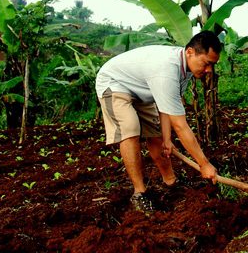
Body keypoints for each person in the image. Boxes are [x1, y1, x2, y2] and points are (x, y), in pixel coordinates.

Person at [95, 30, 221, 213]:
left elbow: (166, 108)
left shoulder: (185, 71)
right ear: (190, 52)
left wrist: (166, 138)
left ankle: (170, 181)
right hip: (114, 83)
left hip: (142, 89)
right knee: (130, 129)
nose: (209, 70)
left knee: (157, 136)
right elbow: (180, 125)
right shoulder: (167, 70)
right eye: (207, 63)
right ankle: (140, 193)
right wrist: (204, 164)